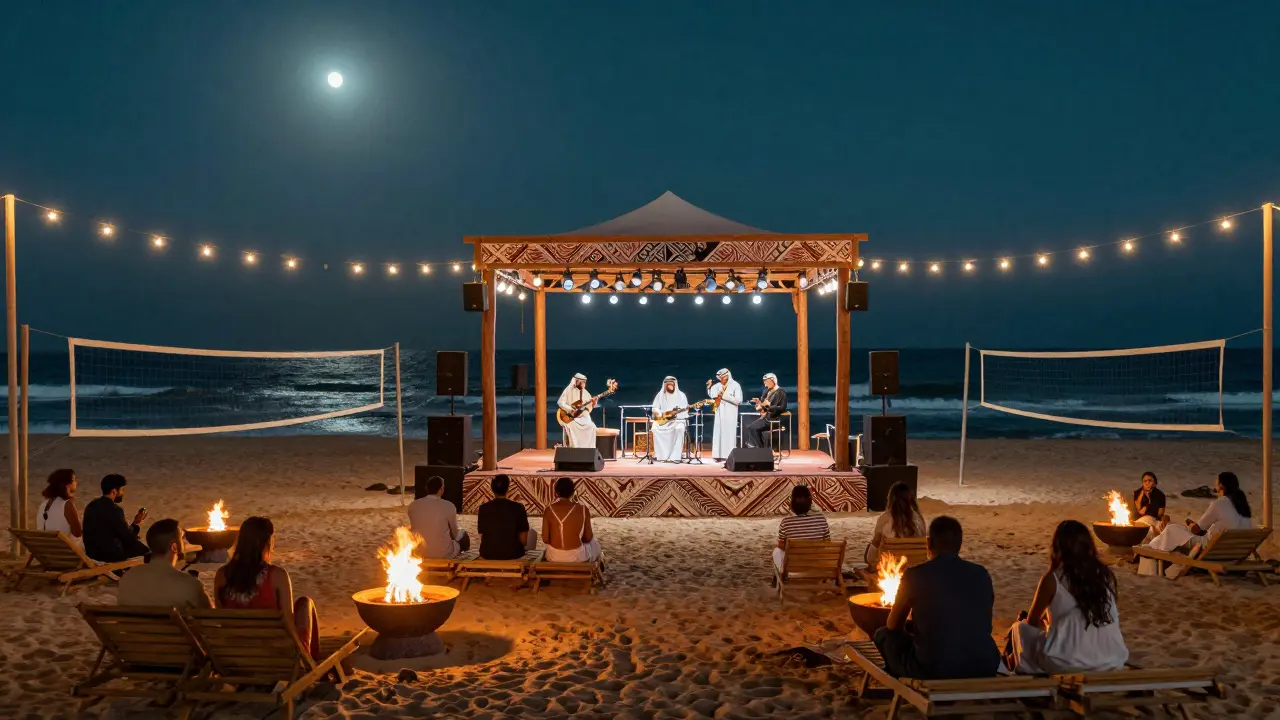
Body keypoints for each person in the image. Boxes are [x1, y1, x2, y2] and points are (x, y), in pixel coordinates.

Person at [874, 516, 1001, 680]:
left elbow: (893, 626)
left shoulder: (915, 575)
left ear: (928, 543)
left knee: (882, 635)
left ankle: (901, 682)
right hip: (984, 666)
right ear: (959, 544)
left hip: (934, 669)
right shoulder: (982, 574)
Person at [1006, 520, 1128, 674]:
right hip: (1110, 660)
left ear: (1058, 547)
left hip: (1065, 662)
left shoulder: (1052, 579)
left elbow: (1032, 621)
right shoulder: (1106, 576)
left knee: (1020, 628)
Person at [214, 516, 321, 661]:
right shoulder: (277, 576)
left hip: (236, 654)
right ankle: (312, 661)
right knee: (305, 603)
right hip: (275, 656)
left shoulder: (222, 575)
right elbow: (288, 624)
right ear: (267, 542)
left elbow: (222, 619)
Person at [1141, 471, 1253, 576]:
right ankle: (1154, 548)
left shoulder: (1219, 504)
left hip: (1209, 548)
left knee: (1171, 529)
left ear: (1221, 487)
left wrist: (1191, 526)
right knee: (1176, 531)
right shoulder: (1243, 506)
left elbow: (1196, 529)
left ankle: (1152, 551)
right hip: (1234, 552)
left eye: (1216, 483)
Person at [117, 518, 213, 609]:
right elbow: (211, 618)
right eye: (182, 538)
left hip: (131, 627)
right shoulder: (189, 585)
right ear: (174, 547)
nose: (184, 542)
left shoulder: (127, 578)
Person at [82, 474, 150, 563]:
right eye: (122, 490)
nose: (123, 493)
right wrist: (136, 525)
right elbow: (127, 537)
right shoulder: (115, 510)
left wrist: (134, 525)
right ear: (114, 491)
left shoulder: (91, 506)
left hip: (91, 553)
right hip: (110, 554)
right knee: (147, 552)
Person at [407, 475, 470, 559]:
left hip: (418, 552)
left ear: (427, 488)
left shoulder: (413, 505)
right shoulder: (448, 505)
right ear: (441, 489)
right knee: (463, 535)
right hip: (443, 553)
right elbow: (455, 534)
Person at [476, 474, 537, 560]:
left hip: (487, 553)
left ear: (492, 488)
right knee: (532, 533)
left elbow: (482, 536)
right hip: (513, 554)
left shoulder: (483, 508)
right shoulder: (518, 507)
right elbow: (524, 539)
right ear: (508, 488)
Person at [866, 481, 926, 566]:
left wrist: (870, 561)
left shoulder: (885, 518)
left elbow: (876, 541)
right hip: (916, 563)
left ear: (890, 499)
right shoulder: (919, 518)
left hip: (892, 566)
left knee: (871, 546)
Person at [542, 477, 602, 563]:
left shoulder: (548, 510)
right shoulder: (583, 509)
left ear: (556, 493)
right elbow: (588, 538)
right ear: (573, 492)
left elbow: (545, 539)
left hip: (553, 557)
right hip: (577, 557)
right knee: (595, 544)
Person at [773, 485, 830, 571]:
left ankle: (780, 578)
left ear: (792, 504)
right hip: (817, 563)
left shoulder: (786, 522)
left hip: (794, 566)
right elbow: (827, 542)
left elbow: (781, 545)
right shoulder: (821, 520)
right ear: (810, 502)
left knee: (777, 551)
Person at [706, 368, 743, 461]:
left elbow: (738, 400)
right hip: (719, 413)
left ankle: (729, 456)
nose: (722, 379)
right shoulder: (717, 386)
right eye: (720, 378)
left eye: (723, 377)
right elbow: (712, 395)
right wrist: (709, 388)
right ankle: (717, 455)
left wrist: (724, 396)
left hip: (730, 414)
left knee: (729, 434)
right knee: (718, 434)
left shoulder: (735, 385)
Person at [36, 469, 83, 542]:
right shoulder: (66, 504)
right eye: (74, 479)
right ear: (67, 485)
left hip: (45, 547)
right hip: (63, 550)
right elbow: (77, 533)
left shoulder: (43, 504)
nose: (76, 482)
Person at [651, 376, 689, 463]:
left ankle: (675, 456)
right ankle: (661, 456)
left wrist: (675, 415)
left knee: (680, 428)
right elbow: (655, 408)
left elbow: (685, 410)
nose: (669, 387)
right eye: (667, 385)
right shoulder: (660, 395)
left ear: (675, 385)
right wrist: (661, 414)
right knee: (654, 427)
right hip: (664, 421)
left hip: (678, 420)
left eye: (671, 385)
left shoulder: (681, 396)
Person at [746, 373, 788, 449]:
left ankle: (762, 449)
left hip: (773, 419)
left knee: (753, 428)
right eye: (764, 382)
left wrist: (769, 405)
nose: (765, 385)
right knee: (751, 428)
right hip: (765, 417)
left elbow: (782, 408)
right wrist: (759, 403)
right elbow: (764, 407)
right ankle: (763, 449)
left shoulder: (781, 392)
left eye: (767, 382)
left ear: (773, 381)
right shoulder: (766, 392)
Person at [557, 373, 598, 448]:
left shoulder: (585, 392)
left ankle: (588, 449)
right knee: (572, 426)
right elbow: (560, 402)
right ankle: (575, 448)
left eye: (584, 382)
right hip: (570, 418)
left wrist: (593, 403)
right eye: (582, 382)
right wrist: (570, 409)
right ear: (576, 381)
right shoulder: (568, 390)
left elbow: (588, 408)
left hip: (582, 417)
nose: (583, 384)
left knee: (592, 426)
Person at [1132, 471, 1167, 536]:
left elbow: (1160, 514)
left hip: (1154, 520)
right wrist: (1143, 493)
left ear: (1154, 483)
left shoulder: (1160, 495)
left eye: (1150, 480)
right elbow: (1139, 510)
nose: (1147, 483)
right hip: (1140, 520)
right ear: (1142, 483)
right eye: (1145, 481)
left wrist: (1164, 519)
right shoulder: (1137, 493)